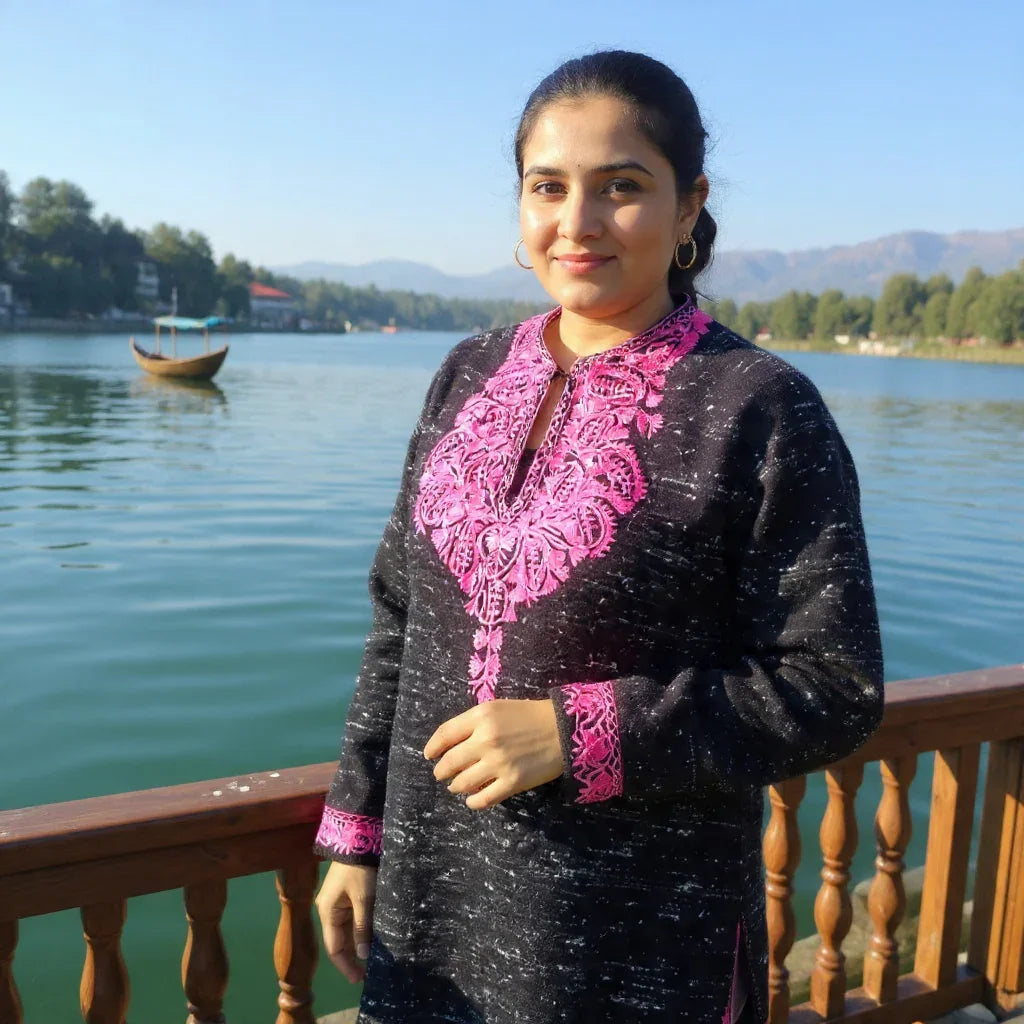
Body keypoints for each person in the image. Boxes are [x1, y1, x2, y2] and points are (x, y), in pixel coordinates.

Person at [312, 49, 884, 1024]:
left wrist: (585, 734)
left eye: (620, 187)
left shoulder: (758, 408)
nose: (574, 224)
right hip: (428, 915)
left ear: (688, 202)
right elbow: (398, 613)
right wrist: (355, 830)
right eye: (547, 187)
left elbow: (832, 687)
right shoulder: (465, 372)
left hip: (631, 943)